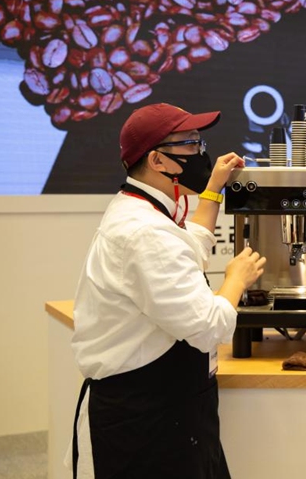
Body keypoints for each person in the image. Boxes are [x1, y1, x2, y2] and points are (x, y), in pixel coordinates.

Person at [70, 103, 266, 478]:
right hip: (150, 421)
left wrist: (212, 190)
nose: (201, 152)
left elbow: (188, 248)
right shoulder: (145, 232)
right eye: (191, 144)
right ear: (158, 161)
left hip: (167, 408)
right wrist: (236, 279)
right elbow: (209, 327)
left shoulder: (140, 208)